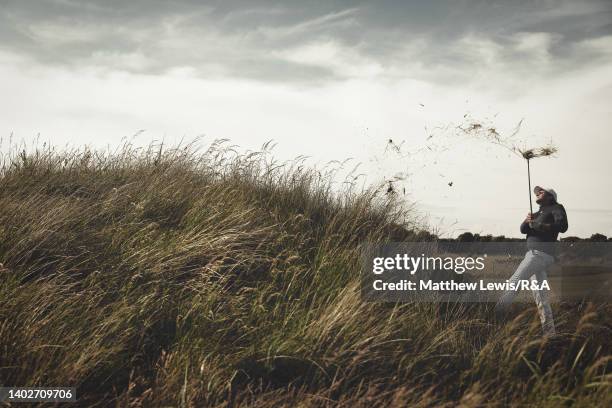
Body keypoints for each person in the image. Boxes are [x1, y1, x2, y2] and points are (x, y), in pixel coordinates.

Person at [495, 186, 568, 336]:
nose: (538, 193)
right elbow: (523, 230)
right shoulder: (536, 213)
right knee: (541, 297)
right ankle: (550, 335)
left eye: (542, 192)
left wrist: (540, 225)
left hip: (539, 255)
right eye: (537, 192)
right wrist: (527, 220)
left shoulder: (556, 207)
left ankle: (495, 316)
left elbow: (563, 226)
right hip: (535, 256)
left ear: (550, 196)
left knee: (514, 282)